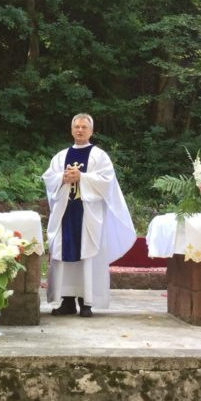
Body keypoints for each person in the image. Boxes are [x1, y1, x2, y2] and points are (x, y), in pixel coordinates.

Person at [42, 113, 136, 317]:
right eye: (76, 127)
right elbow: (49, 178)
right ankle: (66, 301)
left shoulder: (99, 156)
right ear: (71, 130)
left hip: (88, 214)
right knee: (63, 256)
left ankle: (86, 302)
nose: (80, 130)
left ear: (91, 131)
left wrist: (82, 177)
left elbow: (107, 182)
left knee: (88, 256)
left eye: (84, 127)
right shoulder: (61, 156)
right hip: (66, 212)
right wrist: (62, 178)